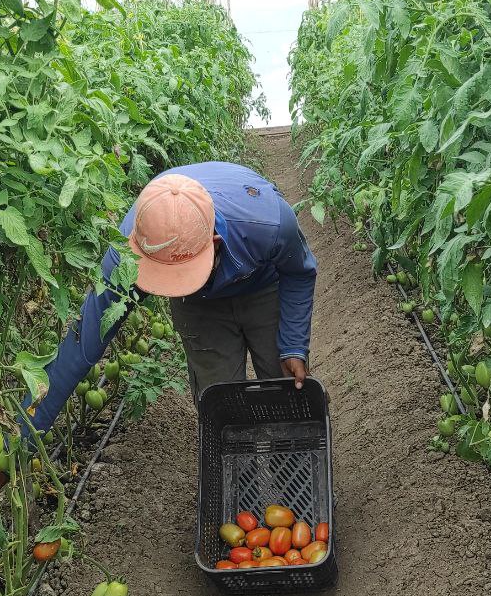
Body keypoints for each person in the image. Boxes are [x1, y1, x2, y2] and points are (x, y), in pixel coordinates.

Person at [17, 162, 317, 438]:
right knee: (222, 404)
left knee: (285, 390)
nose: (172, 284)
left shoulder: (267, 221)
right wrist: (21, 438)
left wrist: (293, 345)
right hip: (200, 306)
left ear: (213, 244)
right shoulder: (126, 256)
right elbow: (81, 347)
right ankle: (238, 486)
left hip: (263, 286)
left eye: (182, 275)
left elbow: (299, 272)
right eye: (163, 277)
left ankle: (293, 476)